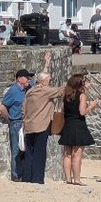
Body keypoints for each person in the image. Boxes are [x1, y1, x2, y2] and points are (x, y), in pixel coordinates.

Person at [20, 53, 65, 184]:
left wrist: (46, 64)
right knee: (40, 154)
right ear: (45, 82)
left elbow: (24, 109)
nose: (50, 81)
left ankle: (27, 177)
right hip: (41, 126)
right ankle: (37, 179)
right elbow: (62, 90)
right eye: (49, 80)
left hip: (29, 125)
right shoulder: (45, 91)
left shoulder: (30, 91)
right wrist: (75, 84)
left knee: (29, 153)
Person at [58, 73, 97, 184]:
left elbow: (63, 110)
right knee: (77, 155)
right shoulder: (82, 95)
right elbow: (82, 112)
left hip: (68, 125)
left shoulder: (66, 95)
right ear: (80, 84)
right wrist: (91, 106)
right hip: (78, 125)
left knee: (67, 154)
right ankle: (77, 180)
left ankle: (68, 179)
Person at [0, 69, 34, 182]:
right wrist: (10, 120)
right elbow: (2, 107)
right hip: (16, 123)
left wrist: (47, 64)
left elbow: (41, 82)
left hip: (27, 122)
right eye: (26, 77)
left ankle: (24, 174)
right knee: (16, 150)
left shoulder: (28, 88)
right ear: (19, 78)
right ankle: (16, 176)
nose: (28, 79)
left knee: (26, 149)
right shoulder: (13, 91)